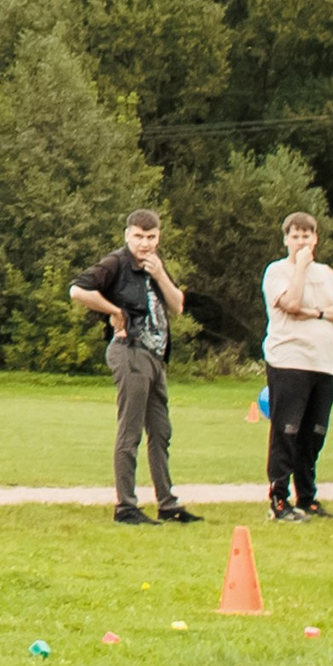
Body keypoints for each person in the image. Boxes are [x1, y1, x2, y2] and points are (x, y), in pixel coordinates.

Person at [72, 210, 200, 526]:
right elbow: (77, 290)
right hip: (129, 352)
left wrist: (160, 275)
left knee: (161, 431)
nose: (145, 243)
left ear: (158, 237)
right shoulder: (116, 263)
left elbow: (178, 306)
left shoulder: (155, 265)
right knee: (130, 431)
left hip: (156, 358)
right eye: (139, 237)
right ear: (128, 235)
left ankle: (167, 504)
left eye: (151, 237)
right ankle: (126, 506)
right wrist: (114, 310)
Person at [259, 211, 333, 522]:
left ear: (315, 238)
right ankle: (279, 499)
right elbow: (292, 303)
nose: (301, 241)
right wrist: (299, 266)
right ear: (286, 239)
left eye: (306, 235)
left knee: (315, 432)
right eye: (295, 235)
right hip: (289, 360)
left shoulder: (326, 273)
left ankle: (307, 496)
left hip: (322, 362)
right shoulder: (277, 271)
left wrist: (317, 313)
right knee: (287, 430)